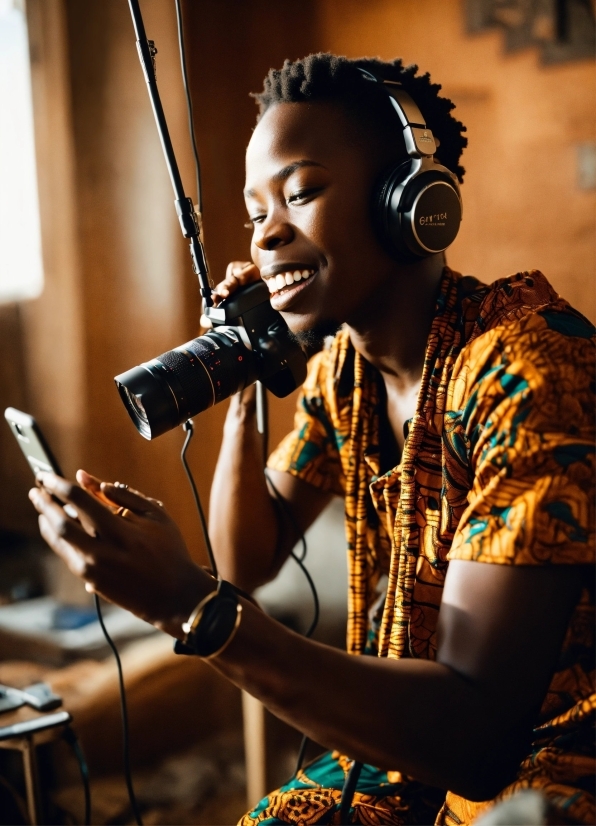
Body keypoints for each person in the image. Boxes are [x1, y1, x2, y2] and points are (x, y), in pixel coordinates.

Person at [29, 54, 594, 825]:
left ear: (411, 202)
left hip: (550, 764)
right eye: (256, 211)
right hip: (409, 754)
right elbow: (246, 560)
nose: (267, 235)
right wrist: (248, 368)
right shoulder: (343, 374)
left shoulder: (532, 371)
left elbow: (480, 740)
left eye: (300, 193)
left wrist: (193, 608)